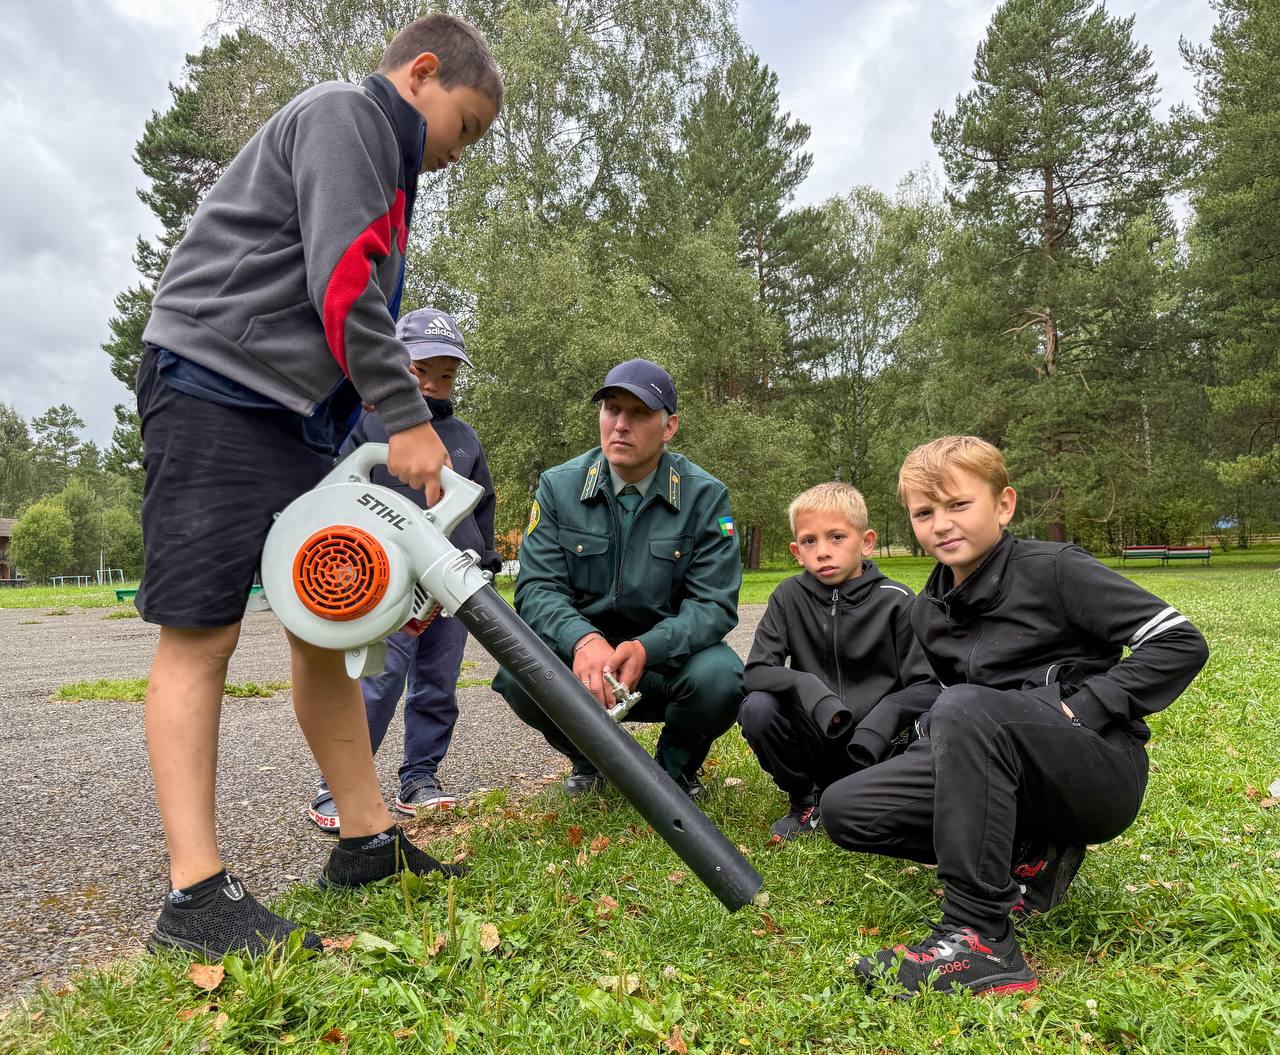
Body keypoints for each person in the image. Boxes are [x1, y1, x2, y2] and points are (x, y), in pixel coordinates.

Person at [134, 16, 503, 957]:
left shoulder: (391, 167)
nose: (460, 154)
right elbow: (344, 282)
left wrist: (353, 434)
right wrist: (409, 419)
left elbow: (339, 313)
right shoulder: (348, 116)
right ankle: (195, 899)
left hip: (295, 417)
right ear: (423, 74)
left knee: (328, 634)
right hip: (217, 385)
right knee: (202, 631)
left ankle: (367, 839)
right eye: (464, 126)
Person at [822, 436, 1209, 997]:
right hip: (997, 761)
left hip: (1097, 771)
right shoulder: (926, 609)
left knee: (963, 706)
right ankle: (1029, 858)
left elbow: (1178, 642)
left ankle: (980, 937)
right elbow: (952, 702)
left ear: (1003, 504)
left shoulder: (1055, 569)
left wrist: (1081, 705)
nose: (942, 524)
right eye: (924, 513)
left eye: (959, 505)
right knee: (847, 809)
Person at [494, 359, 742, 798]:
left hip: (664, 661)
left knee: (722, 678)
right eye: (612, 409)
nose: (621, 425)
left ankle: (673, 772)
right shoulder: (558, 487)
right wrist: (582, 640)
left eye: (640, 413)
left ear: (669, 427)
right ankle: (593, 763)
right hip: (585, 662)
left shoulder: (705, 496)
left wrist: (648, 647)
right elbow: (536, 588)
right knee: (519, 671)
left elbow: (714, 605)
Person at [306, 308, 501, 833]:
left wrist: (483, 562)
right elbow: (339, 494)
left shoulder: (463, 439)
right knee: (375, 681)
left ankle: (420, 777)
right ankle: (340, 787)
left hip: (453, 588)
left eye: (446, 374)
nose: (434, 385)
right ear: (396, 365)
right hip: (384, 587)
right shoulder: (368, 425)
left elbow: (482, 506)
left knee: (437, 685)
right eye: (421, 372)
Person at [738, 482, 938, 842]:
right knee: (757, 708)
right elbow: (755, 673)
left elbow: (929, 686)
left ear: (866, 541)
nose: (823, 552)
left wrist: (887, 714)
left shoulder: (897, 600)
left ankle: (893, 801)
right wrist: (806, 685)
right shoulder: (788, 597)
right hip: (815, 736)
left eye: (836, 537)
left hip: (879, 747)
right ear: (797, 552)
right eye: (810, 541)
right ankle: (805, 801)